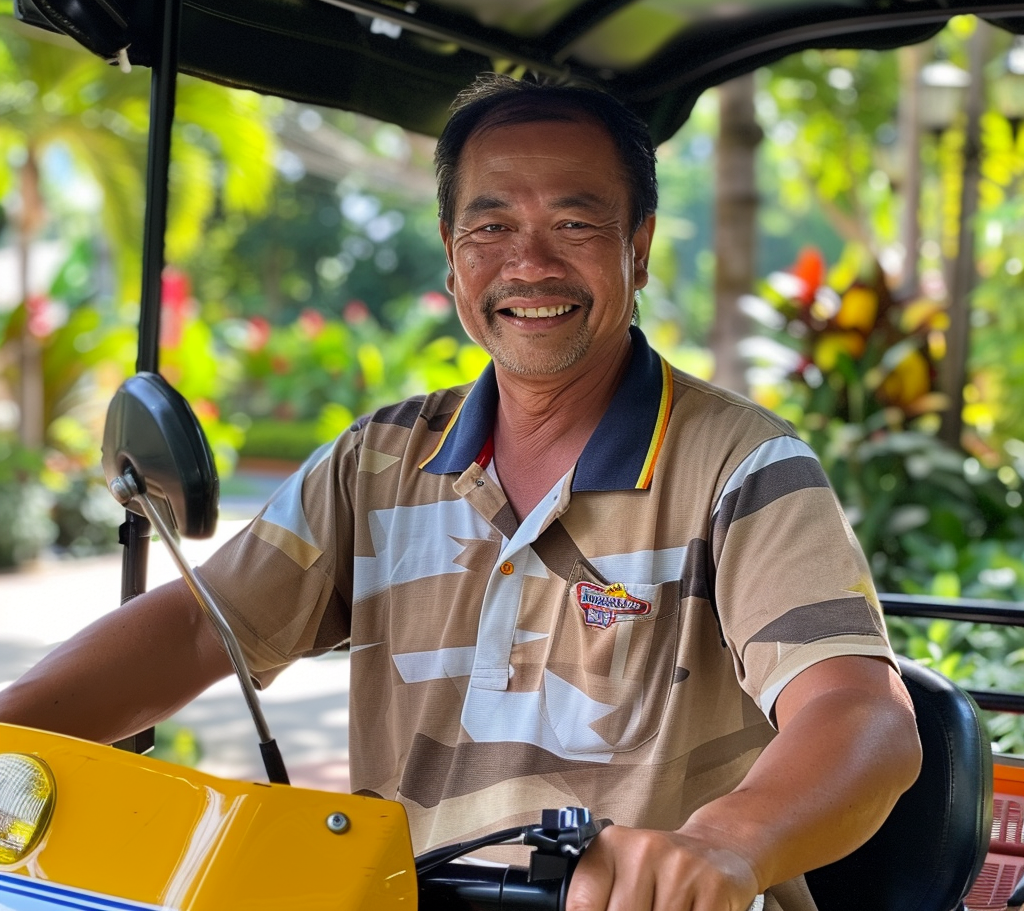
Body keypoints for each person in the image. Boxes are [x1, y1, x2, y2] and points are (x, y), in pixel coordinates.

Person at [0, 74, 920, 911]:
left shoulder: (742, 464)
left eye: (575, 224)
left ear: (638, 249)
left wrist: (723, 844)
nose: (530, 262)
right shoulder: (378, 460)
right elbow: (203, 627)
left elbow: (861, 712)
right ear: (452, 257)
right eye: (491, 228)